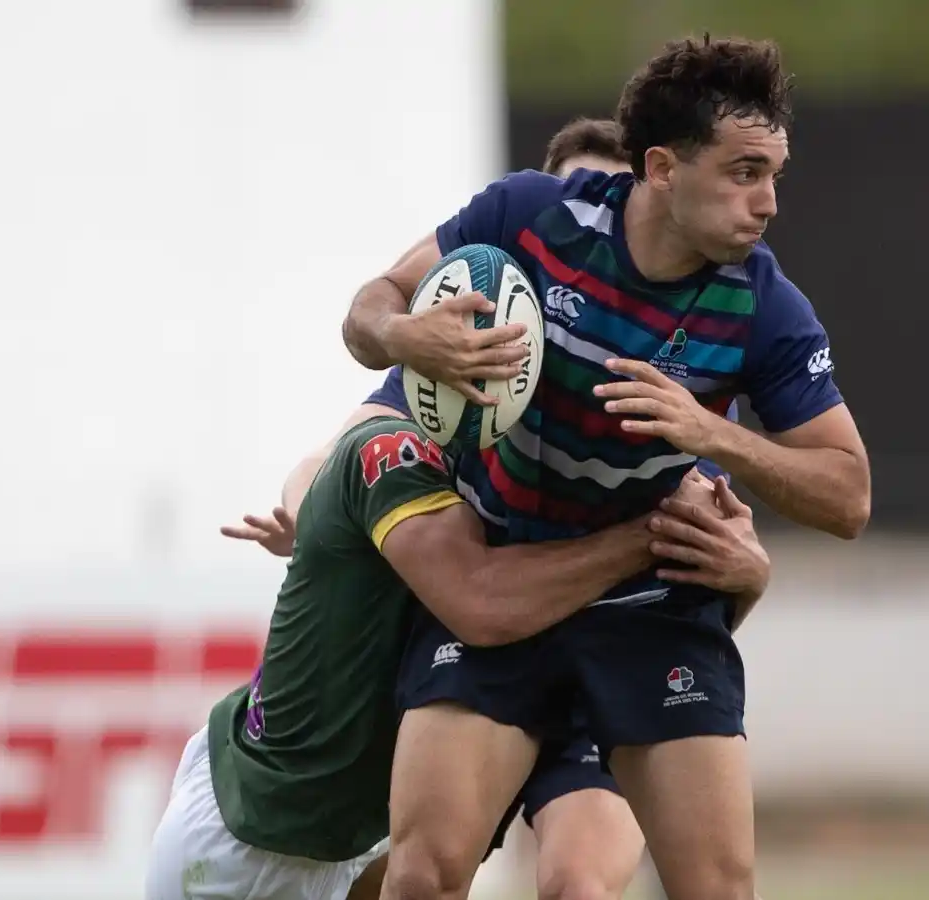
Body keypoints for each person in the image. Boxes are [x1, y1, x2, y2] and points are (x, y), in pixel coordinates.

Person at [341, 36, 870, 900]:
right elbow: (371, 307)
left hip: (650, 606)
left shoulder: (764, 305)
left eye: (774, 173)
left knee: (709, 889)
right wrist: (408, 337)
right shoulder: (528, 216)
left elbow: (848, 494)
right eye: (743, 172)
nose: (768, 202)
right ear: (661, 167)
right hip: (501, 585)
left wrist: (713, 433)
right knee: (421, 876)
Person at [221, 119, 767, 900]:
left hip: (600, 675)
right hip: (475, 656)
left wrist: (754, 573)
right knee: (400, 876)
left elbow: (708, 568)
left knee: (578, 884)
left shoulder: (670, 400)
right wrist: (317, 519)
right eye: (576, 200)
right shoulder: (461, 371)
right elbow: (335, 459)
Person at [145, 411, 759, 900]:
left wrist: (748, 574)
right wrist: (653, 536)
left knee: (581, 884)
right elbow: (478, 598)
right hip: (255, 827)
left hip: (361, 832)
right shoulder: (413, 448)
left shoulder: (598, 458)